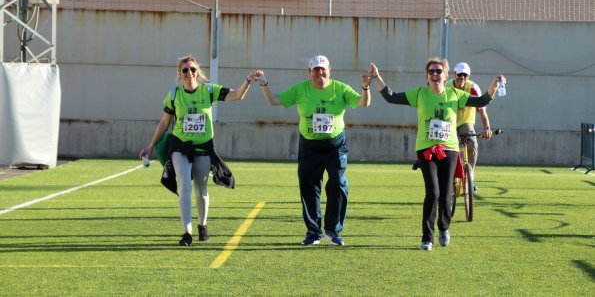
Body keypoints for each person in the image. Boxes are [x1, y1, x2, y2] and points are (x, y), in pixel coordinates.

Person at [368, 58, 505, 251]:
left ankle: (444, 228)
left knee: (446, 193)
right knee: (432, 192)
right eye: (431, 71)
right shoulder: (419, 94)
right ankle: (427, 238)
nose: (435, 74)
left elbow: (481, 101)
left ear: (446, 75)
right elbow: (391, 96)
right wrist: (376, 77)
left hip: (448, 149)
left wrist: (493, 86)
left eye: (439, 71)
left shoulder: (455, 94)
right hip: (426, 148)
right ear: (427, 75)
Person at [140, 55, 261, 246]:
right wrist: (150, 146)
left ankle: (202, 225)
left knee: (201, 189)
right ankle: (186, 232)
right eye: (185, 70)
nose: (189, 73)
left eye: (193, 69)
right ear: (179, 74)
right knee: (184, 186)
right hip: (180, 146)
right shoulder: (174, 95)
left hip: (203, 147)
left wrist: (248, 81)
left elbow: (237, 95)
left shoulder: (209, 90)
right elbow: (164, 123)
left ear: (198, 72)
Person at [253, 55, 371, 246]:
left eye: (323, 69)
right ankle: (313, 233)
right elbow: (274, 100)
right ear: (310, 73)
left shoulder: (340, 88)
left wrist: (366, 88)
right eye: (315, 69)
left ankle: (333, 231)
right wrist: (264, 83)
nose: (320, 73)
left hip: (335, 146)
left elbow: (363, 103)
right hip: (309, 146)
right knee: (309, 188)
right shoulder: (301, 89)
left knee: (338, 185)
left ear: (329, 71)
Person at [449, 62, 492, 192]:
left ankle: (470, 179)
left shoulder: (473, 87)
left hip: (465, 121)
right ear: (454, 74)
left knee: (472, 142)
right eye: (459, 74)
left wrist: (486, 128)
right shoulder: (445, 86)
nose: (462, 77)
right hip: (448, 122)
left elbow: (482, 110)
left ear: (468, 76)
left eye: (465, 75)